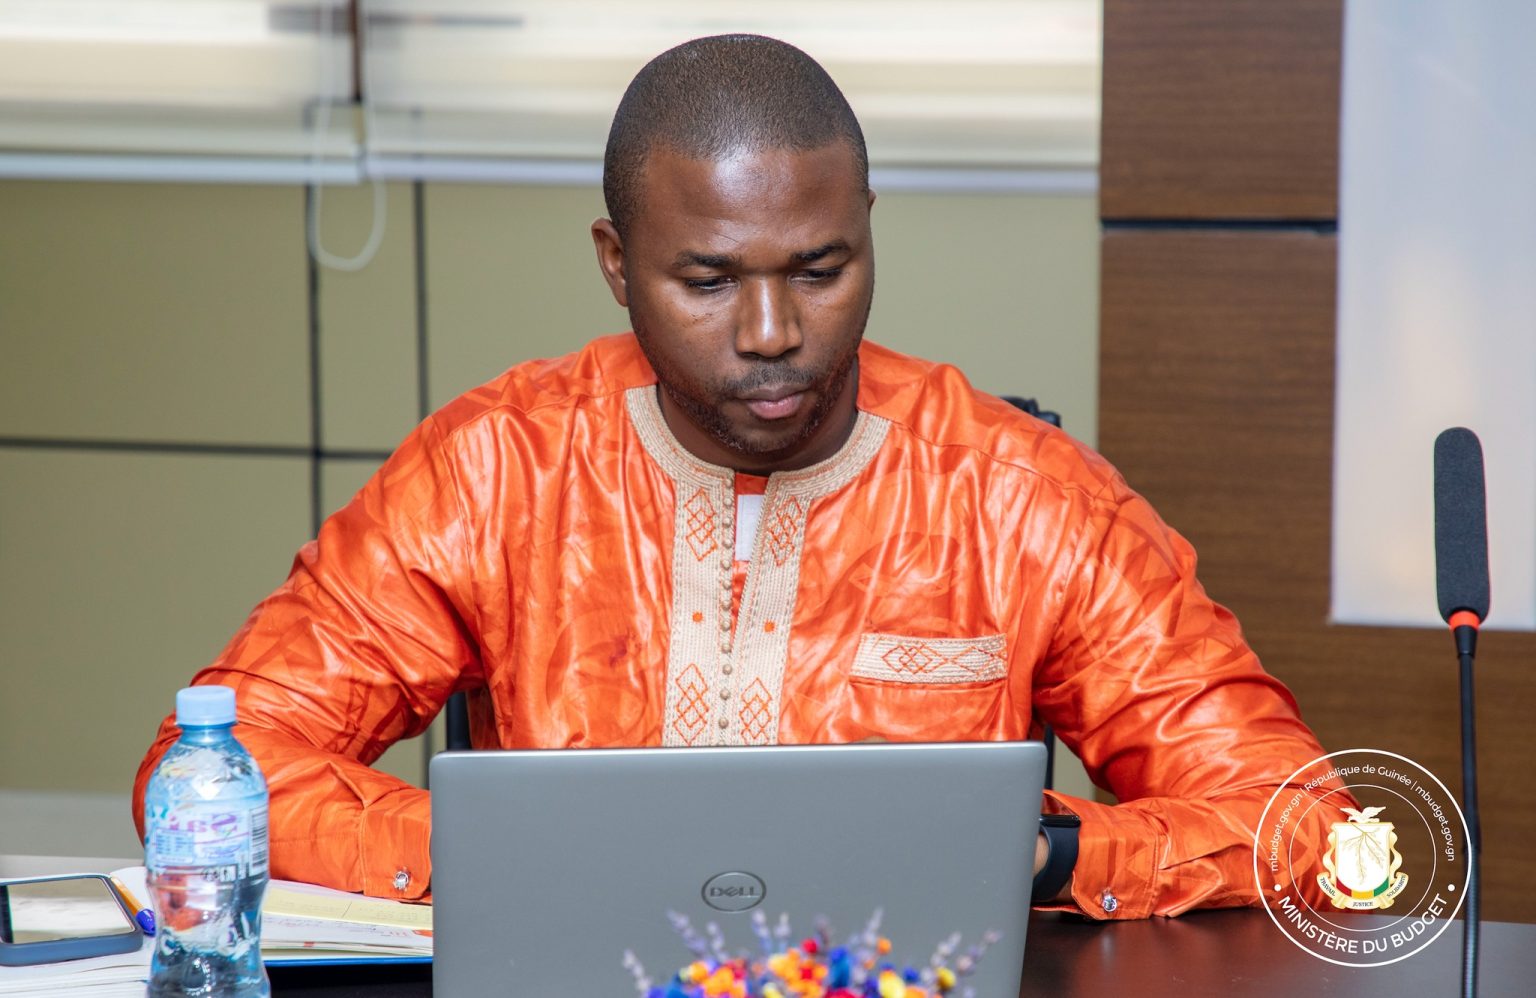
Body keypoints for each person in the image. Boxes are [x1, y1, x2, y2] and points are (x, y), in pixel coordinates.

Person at [134, 34, 1340, 920]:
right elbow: (205, 778)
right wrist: (494, 852)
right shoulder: (497, 469)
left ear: (868, 229)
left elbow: (1304, 823)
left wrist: (1048, 855)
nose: (773, 333)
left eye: (820, 269)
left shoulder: (1022, 498)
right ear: (618, 263)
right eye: (708, 281)